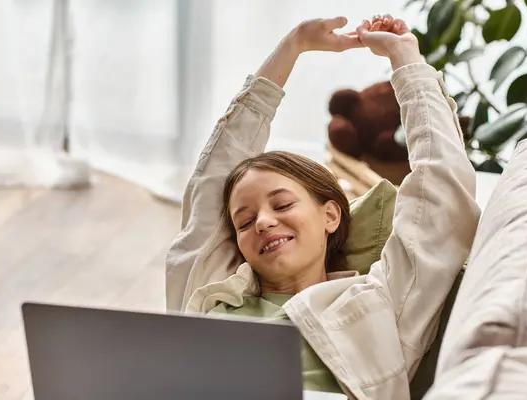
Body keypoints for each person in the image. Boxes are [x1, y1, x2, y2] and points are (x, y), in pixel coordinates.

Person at [165, 14, 481, 399]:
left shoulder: (377, 305)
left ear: (331, 215)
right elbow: (212, 179)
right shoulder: (209, 293)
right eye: (244, 222)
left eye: (281, 205)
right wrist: (292, 46)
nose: (263, 222)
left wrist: (405, 59)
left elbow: (442, 195)